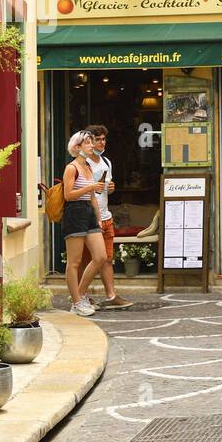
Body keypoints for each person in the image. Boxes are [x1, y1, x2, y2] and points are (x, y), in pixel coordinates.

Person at [75, 125, 133, 310]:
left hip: (106, 215)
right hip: (89, 217)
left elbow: (105, 188)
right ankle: (79, 296)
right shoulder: (81, 164)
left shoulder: (106, 162)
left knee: (107, 258)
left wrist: (111, 188)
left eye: (103, 139)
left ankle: (111, 296)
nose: (101, 142)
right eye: (98, 139)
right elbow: (74, 191)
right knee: (85, 260)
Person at [62, 131, 109, 317]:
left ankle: (79, 294)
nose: (92, 145)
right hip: (75, 212)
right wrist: (90, 187)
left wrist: (99, 217)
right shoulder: (71, 168)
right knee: (74, 261)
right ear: (77, 147)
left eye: (91, 142)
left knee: (100, 256)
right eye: (87, 142)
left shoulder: (88, 167)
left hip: (89, 212)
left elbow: (92, 197)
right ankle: (76, 302)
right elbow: (68, 195)